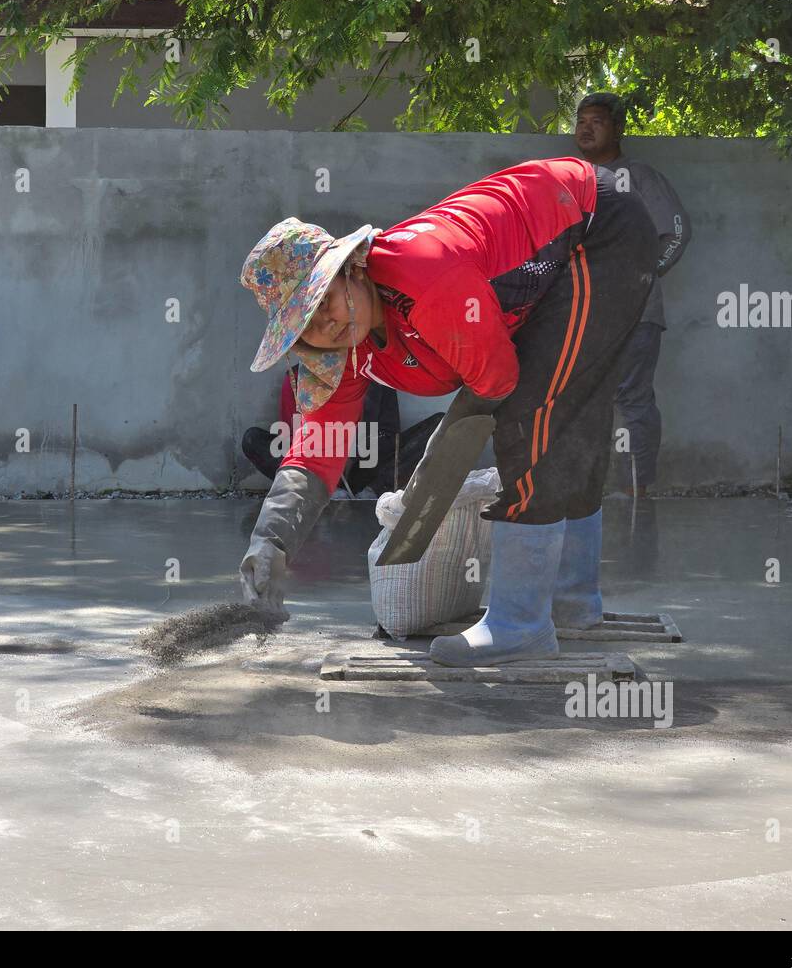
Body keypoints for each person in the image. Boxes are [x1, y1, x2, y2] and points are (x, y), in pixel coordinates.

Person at [237, 158, 657, 666]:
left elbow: (498, 380)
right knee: (567, 407)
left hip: (595, 226)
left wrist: (436, 463)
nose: (327, 323)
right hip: (559, 253)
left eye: (326, 299)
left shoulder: (423, 273)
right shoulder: (341, 351)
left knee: (532, 414)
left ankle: (520, 623)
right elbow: (319, 448)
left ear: (351, 268)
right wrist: (272, 540)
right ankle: (570, 603)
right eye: (308, 322)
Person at [574, 92, 691, 494]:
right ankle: (591, 493)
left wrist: (641, 276)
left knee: (632, 398)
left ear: (618, 129)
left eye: (597, 121)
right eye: (581, 120)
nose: (586, 128)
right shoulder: (573, 179)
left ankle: (640, 490)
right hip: (584, 318)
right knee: (584, 401)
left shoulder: (639, 177)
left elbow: (675, 232)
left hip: (635, 314)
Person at [241, 367, 441, 496]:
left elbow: (390, 436)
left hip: (366, 468)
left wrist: (357, 444)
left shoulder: (376, 377)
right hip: (318, 469)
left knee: (441, 425)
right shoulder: (295, 379)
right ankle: (325, 494)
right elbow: (291, 441)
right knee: (253, 440)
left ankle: (372, 491)